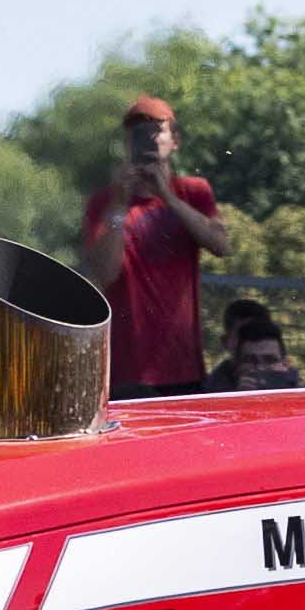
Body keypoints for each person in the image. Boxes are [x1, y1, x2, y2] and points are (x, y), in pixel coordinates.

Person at [78, 98, 236, 401]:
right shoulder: (104, 202)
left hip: (182, 367)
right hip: (124, 369)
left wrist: (168, 196)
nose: (148, 141)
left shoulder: (193, 191)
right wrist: (120, 205)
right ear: (128, 144)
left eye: (156, 132)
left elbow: (221, 245)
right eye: (139, 135)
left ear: (174, 140)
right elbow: (105, 273)